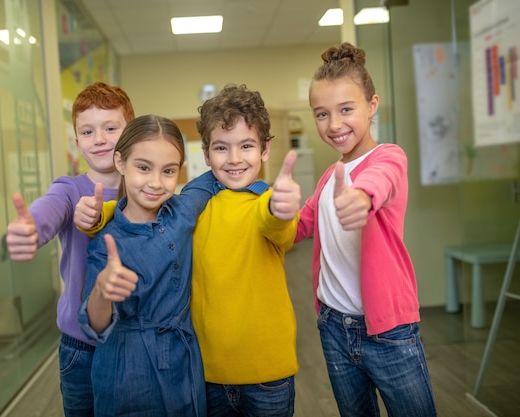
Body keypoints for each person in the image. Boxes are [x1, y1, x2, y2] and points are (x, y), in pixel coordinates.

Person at [295, 42, 437, 417]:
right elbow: (297, 227)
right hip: (333, 325)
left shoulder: (388, 156)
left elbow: (381, 180)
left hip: (388, 332)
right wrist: (269, 209)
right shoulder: (328, 177)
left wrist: (361, 197)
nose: (334, 124)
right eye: (322, 114)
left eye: (346, 109)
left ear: (372, 105)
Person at [5, 81, 135, 417]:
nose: (100, 139)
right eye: (88, 131)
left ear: (130, 132)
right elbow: (48, 210)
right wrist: (30, 228)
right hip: (82, 349)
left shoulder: (146, 190)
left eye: (110, 127)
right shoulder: (68, 189)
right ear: (77, 142)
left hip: (137, 344)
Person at [78, 114, 218, 417]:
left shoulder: (182, 211)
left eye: (168, 171)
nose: (156, 182)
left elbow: (217, 174)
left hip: (184, 364)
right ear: (120, 162)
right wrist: (103, 289)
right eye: (143, 167)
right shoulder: (107, 244)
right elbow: (94, 325)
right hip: (127, 372)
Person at [191, 83, 301, 417]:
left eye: (247, 146)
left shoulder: (267, 202)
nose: (235, 158)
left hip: (268, 376)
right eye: (222, 148)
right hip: (209, 376)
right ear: (207, 154)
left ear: (265, 149)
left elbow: (277, 224)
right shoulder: (193, 205)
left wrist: (282, 208)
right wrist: (100, 216)